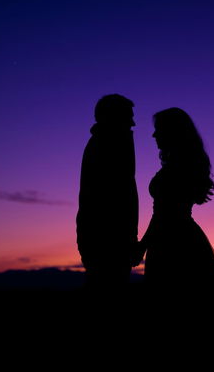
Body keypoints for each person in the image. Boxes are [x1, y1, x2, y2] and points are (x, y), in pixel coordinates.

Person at [133, 107, 214, 289]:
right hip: (182, 237)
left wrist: (142, 246)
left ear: (171, 132)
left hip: (171, 243)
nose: (154, 135)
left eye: (158, 129)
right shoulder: (182, 165)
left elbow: (163, 215)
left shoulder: (177, 169)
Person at [76, 94, 139, 288]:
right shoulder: (105, 146)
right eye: (127, 117)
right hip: (107, 244)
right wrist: (128, 241)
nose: (133, 123)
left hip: (111, 242)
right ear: (112, 117)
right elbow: (110, 199)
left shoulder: (114, 143)